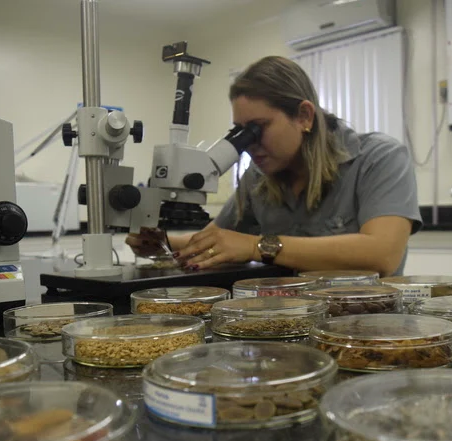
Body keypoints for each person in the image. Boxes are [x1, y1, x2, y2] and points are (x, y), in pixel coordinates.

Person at [127, 56, 422, 276]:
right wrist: (164, 242)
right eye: (239, 131)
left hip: (363, 330)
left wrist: (258, 246)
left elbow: (382, 255)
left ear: (304, 116)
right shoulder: (258, 178)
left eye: (257, 128)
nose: (248, 143)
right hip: (285, 325)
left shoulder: (380, 157)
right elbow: (219, 240)